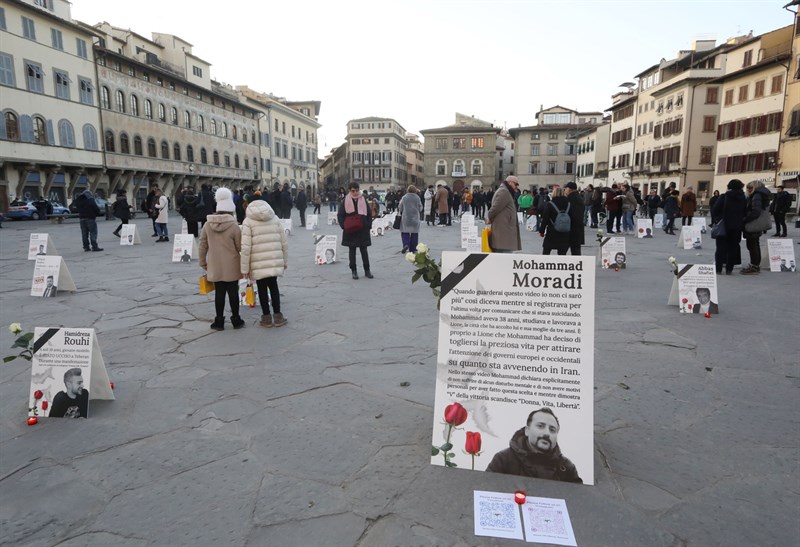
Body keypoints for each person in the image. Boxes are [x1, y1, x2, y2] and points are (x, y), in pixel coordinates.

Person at [486, 407, 582, 483]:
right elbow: (485, 490)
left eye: (552, 430)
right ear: (527, 431)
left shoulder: (566, 468)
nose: (547, 433)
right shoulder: (503, 459)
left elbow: (579, 502)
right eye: (540, 426)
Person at [199, 187, 244, 330]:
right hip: (232, 264)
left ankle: (219, 320)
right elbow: (240, 247)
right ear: (231, 209)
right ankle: (236, 319)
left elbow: (202, 245)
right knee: (233, 293)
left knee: (219, 293)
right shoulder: (234, 226)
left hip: (215, 264)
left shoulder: (207, 224)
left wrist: (203, 262)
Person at [240, 198, 289, 328]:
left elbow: (245, 247)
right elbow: (284, 242)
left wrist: (244, 269)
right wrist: (284, 260)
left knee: (261, 288)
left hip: (258, 263)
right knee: (274, 286)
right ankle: (278, 316)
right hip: (273, 259)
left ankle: (266, 317)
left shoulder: (248, 221)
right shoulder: (275, 219)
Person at [711, 179, 746, 275]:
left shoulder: (724, 196)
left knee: (720, 248)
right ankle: (729, 269)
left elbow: (715, 209)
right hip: (736, 227)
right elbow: (745, 211)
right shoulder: (743, 198)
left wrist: (717, 219)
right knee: (733, 248)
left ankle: (718, 268)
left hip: (724, 225)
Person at [338, 182, 373, 279]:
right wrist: (343, 226)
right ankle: (354, 271)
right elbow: (340, 215)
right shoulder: (345, 200)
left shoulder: (363, 199)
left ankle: (367, 270)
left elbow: (369, 213)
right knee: (352, 251)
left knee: (364, 250)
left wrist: (368, 225)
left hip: (362, 229)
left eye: (357, 190)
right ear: (349, 190)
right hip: (351, 229)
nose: (355, 192)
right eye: (353, 190)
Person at [740, 180, 772, 275]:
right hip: (757, 223)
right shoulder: (762, 194)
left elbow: (756, 211)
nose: (748, 190)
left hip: (753, 223)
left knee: (752, 245)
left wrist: (745, 219)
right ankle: (755, 265)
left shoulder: (756, 195)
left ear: (755, 187)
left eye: (750, 188)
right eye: (747, 188)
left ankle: (754, 266)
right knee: (755, 244)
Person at [487, 175, 522, 253]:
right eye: (516, 184)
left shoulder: (505, 191)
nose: (516, 187)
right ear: (510, 182)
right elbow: (494, 209)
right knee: (505, 257)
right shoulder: (504, 192)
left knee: (505, 255)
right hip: (504, 232)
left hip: (505, 230)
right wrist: (489, 218)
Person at [538, 187, 570, 255]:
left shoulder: (550, 204)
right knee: (562, 253)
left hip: (552, 231)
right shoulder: (569, 204)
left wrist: (542, 231)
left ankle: (544, 264)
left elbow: (545, 219)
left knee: (546, 251)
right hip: (565, 232)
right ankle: (561, 265)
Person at [397, 185, 423, 253]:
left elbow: (400, 206)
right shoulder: (417, 198)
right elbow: (420, 208)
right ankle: (413, 248)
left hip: (406, 218)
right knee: (414, 233)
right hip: (415, 218)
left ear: (407, 190)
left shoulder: (404, 197)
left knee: (405, 232)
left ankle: (406, 244)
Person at [564, 182, 585, 255]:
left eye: (565, 189)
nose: (565, 191)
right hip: (578, 227)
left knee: (563, 251)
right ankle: (577, 264)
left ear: (569, 189)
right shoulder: (579, 197)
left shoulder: (570, 198)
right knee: (576, 250)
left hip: (571, 228)